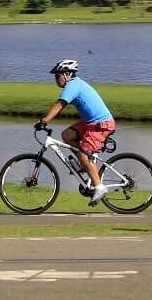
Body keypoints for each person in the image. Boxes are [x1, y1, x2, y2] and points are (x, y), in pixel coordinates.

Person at [36, 59, 116, 206]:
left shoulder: (73, 85)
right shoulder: (74, 84)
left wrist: (44, 121)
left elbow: (60, 105)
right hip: (90, 123)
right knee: (67, 135)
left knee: (83, 154)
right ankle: (85, 161)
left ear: (67, 74)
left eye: (57, 75)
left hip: (101, 124)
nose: (56, 79)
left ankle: (99, 187)